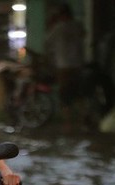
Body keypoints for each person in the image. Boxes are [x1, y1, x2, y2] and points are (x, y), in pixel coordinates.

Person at [44, 3, 86, 131]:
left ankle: (68, 124)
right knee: (78, 93)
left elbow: (47, 43)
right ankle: (82, 121)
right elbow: (84, 35)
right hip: (78, 65)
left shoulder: (58, 28)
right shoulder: (77, 26)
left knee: (65, 95)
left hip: (63, 66)